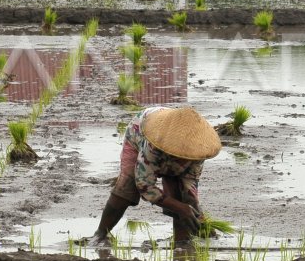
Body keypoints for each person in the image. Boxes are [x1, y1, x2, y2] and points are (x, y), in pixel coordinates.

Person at [87, 105, 222, 246]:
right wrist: (179, 207)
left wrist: (199, 220)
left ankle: (182, 242)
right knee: (127, 185)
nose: (182, 156)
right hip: (139, 132)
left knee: (182, 196)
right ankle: (101, 233)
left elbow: (189, 190)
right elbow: (144, 185)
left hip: (170, 144)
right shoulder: (154, 144)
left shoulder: (198, 153)